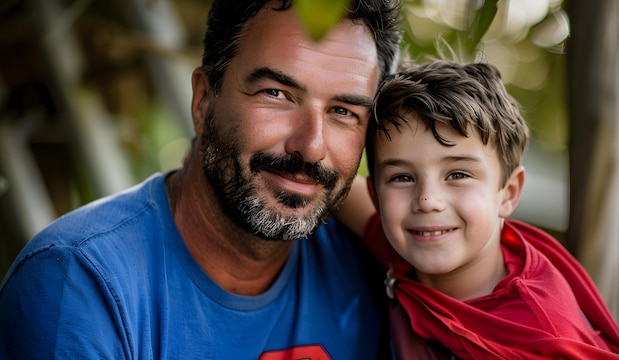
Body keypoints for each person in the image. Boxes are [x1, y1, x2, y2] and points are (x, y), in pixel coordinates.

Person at [0, 1, 402, 358]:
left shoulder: (378, 267)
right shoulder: (77, 283)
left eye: (344, 112)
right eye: (276, 93)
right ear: (203, 100)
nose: (311, 147)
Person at [336, 61, 619, 359]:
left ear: (508, 193)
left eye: (458, 175)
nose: (427, 200)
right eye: (402, 178)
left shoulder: (542, 334)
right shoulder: (410, 241)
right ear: (376, 196)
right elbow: (335, 189)